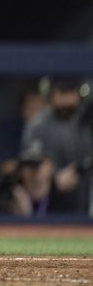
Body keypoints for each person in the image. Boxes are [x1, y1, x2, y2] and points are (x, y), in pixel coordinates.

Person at [23, 76, 92, 212]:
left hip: (86, 200)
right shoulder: (38, 126)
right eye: (62, 92)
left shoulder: (86, 121)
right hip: (51, 206)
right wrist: (54, 180)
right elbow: (30, 173)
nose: (66, 98)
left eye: (70, 92)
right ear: (52, 94)